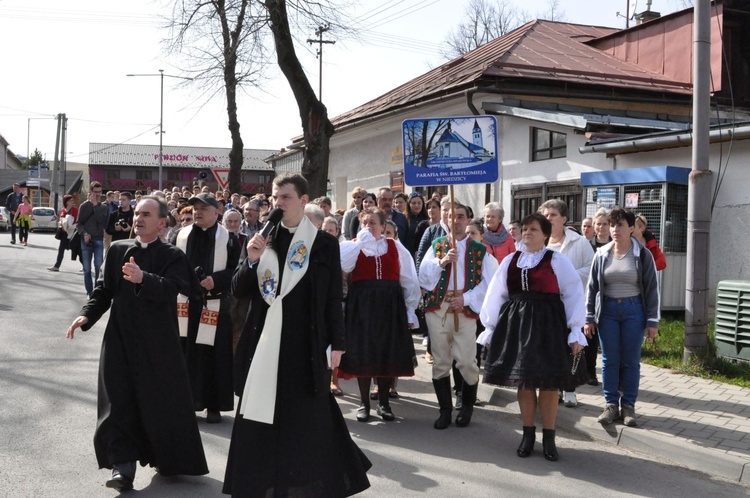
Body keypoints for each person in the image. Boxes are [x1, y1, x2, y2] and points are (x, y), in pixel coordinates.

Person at [224, 172, 371, 497]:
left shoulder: (324, 244)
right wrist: (250, 260)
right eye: (275, 197)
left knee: (306, 420)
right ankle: (259, 484)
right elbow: (237, 288)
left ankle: (307, 485)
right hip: (264, 345)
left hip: (305, 345)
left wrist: (338, 343)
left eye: (285, 197)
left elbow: (334, 297)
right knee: (259, 420)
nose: (278, 203)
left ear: (304, 201)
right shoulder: (262, 239)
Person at [65, 196, 209, 491]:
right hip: (120, 339)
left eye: (146, 214)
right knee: (118, 403)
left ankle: (166, 458)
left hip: (159, 344)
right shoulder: (118, 249)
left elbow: (174, 288)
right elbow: (104, 290)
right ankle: (123, 468)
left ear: (161, 223)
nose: (138, 219)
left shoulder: (172, 255)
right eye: (138, 214)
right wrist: (86, 315)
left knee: (159, 403)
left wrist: (144, 278)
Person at [479, 213, 588, 462]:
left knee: (549, 384)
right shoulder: (510, 260)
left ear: (546, 234)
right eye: (525, 228)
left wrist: (575, 331)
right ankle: (528, 434)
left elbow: (573, 294)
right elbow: (497, 294)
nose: (527, 232)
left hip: (549, 326)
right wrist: (491, 328)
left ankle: (549, 437)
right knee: (525, 381)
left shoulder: (557, 261)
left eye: (534, 229)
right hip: (516, 326)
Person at [419, 203, 498, 430]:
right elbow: (423, 277)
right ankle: (445, 411)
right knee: (441, 361)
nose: (456, 221)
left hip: (465, 310)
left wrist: (466, 298)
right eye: (451, 217)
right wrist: (441, 262)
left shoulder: (480, 250)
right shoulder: (438, 246)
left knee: (466, 362)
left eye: (461, 217)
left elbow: (490, 284)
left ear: (468, 220)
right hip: (439, 310)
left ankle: (467, 406)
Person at [338, 208, 420, 422]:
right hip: (362, 305)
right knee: (363, 353)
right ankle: (364, 404)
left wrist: (410, 310)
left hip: (389, 305)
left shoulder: (394, 246)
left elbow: (409, 280)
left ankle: (384, 403)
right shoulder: (353, 246)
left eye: (373, 222)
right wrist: (359, 243)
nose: (368, 226)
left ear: (384, 226)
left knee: (386, 353)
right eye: (365, 222)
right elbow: (343, 264)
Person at [585, 208, 660, 428]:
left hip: (633, 310)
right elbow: (592, 288)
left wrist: (652, 321)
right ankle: (610, 405)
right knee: (609, 360)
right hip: (607, 311)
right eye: (612, 225)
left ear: (631, 228)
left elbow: (652, 289)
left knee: (630, 362)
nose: (615, 230)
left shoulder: (642, 255)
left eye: (620, 225)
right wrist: (589, 317)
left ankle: (628, 406)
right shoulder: (602, 254)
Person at [176, 193, 241, 424]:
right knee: (187, 353)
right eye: (195, 208)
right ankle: (188, 401)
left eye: (204, 208)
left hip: (215, 303)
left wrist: (217, 279)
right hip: (187, 303)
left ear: (217, 212)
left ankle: (214, 406)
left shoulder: (230, 239)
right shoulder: (180, 235)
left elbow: (237, 269)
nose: (198, 212)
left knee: (215, 356)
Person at [539, 199, 594, 406]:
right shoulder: (538, 242)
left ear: (563, 218)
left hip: (569, 303)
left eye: (553, 215)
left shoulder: (579, 242)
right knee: (548, 348)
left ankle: (569, 388)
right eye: (545, 215)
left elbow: (591, 268)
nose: (549, 219)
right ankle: (553, 389)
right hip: (545, 305)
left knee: (570, 345)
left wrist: (565, 278)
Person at [77, 182, 109, 297]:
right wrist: (84, 233)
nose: (98, 194)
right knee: (86, 269)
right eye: (95, 192)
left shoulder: (104, 207)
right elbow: (79, 224)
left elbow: (102, 222)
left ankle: (96, 292)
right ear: (91, 192)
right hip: (85, 241)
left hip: (99, 239)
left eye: (100, 192)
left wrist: (95, 206)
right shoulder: (84, 206)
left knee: (98, 266)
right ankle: (89, 292)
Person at [48, 195, 79, 271]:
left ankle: (86, 267)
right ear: (66, 202)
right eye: (70, 200)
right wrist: (61, 224)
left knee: (77, 250)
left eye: (72, 200)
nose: (72, 202)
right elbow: (61, 219)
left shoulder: (75, 210)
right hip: (64, 233)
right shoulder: (63, 210)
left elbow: (77, 220)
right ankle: (56, 266)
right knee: (61, 249)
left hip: (72, 232)